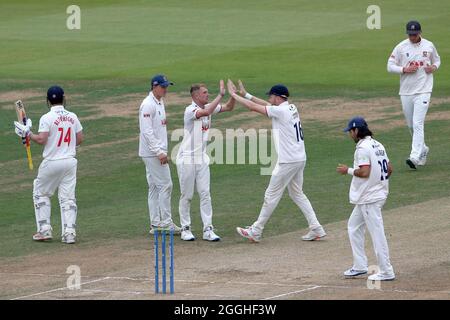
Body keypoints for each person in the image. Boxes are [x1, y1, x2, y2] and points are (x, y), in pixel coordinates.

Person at [227, 79, 326, 242]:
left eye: (271, 96)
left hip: (288, 161)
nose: (270, 99)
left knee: (271, 194)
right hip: (299, 158)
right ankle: (316, 228)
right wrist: (246, 94)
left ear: (278, 97)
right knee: (297, 194)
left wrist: (233, 95)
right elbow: (265, 105)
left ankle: (256, 230)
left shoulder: (281, 111)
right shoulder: (290, 108)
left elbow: (253, 107)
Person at [14, 86, 83, 244]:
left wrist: (27, 133)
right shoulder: (73, 116)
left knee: (40, 192)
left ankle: (45, 230)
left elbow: (41, 140)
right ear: (63, 99)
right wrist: (67, 148)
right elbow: (79, 139)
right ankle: (70, 233)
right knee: (68, 198)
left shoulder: (47, 117)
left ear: (47, 101)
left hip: (52, 162)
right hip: (70, 162)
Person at [337, 117, 395, 281]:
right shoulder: (378, 144)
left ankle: (386, 271)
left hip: (369, 198)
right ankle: (360, 266)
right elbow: (389, 169)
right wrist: (377, 184)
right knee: (353, 226)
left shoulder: (362, 148)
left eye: (350, 131)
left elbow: (364, 172)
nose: (350, 134)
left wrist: (347, 170)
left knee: (377, 233)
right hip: (373, 195)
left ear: (356, 131)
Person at [177, 80, 235, 241]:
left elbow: (229, 107)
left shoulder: (208, 107)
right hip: (187, 158)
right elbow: (207, 111)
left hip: (201, 158)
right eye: (204, 93)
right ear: (195, 96)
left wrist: (233, 95)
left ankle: (208, 229)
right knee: (187, 195)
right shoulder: (190, 110)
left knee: (205, 193)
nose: (207, 94)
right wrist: (221, 95)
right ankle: (185, 228)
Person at [387, 20, 441, 169]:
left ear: (420, 33)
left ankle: (414, 156)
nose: (412, 37)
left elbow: (437, 60)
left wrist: (434, 67)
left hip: (424, 90)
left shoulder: (429, 45)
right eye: (410, 35)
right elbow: (389, 66)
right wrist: (404, 69)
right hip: (406, 91)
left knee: (418, 123)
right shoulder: (401, 47)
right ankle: (423, 149)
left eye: (415, 34)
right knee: (411, 125)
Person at [139, 74, 181, 234]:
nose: (165, 89)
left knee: (155, 187)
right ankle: (166, 223)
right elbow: (147, 131)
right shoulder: (148, 104)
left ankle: (156, 223)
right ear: (154, 87)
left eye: (166, 86)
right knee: (166, 185)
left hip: (154, 152)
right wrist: (159, 152)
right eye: (163, 87)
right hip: (153, 153)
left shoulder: (159, 102)